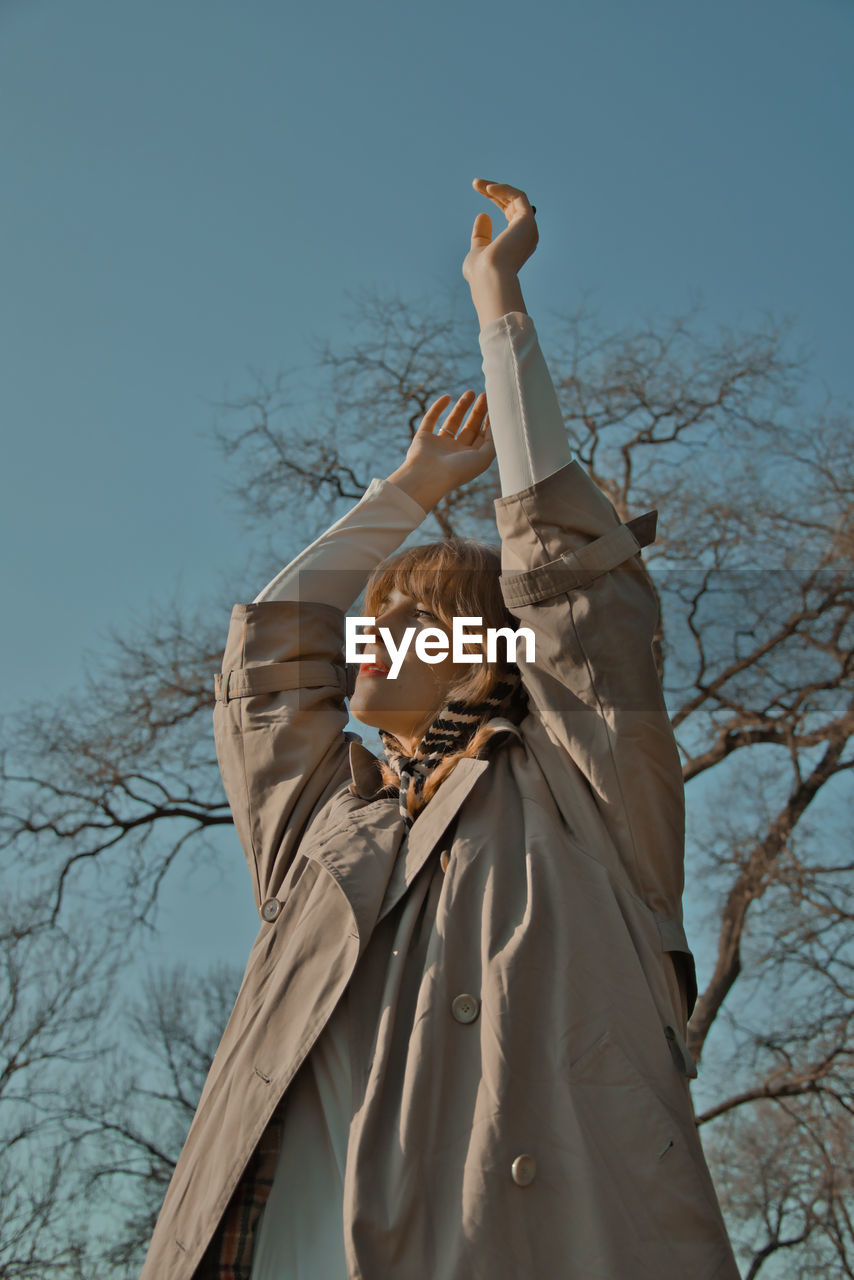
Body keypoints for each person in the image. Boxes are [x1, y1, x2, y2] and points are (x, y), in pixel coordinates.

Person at [139, 180, 741, 1279]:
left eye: (400, 617)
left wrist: (497, 307)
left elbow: (574, 599)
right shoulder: (330, 827)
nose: (360, 639)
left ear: (477, 648)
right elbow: (272, 654)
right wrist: (408, 488)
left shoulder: (581, 792)